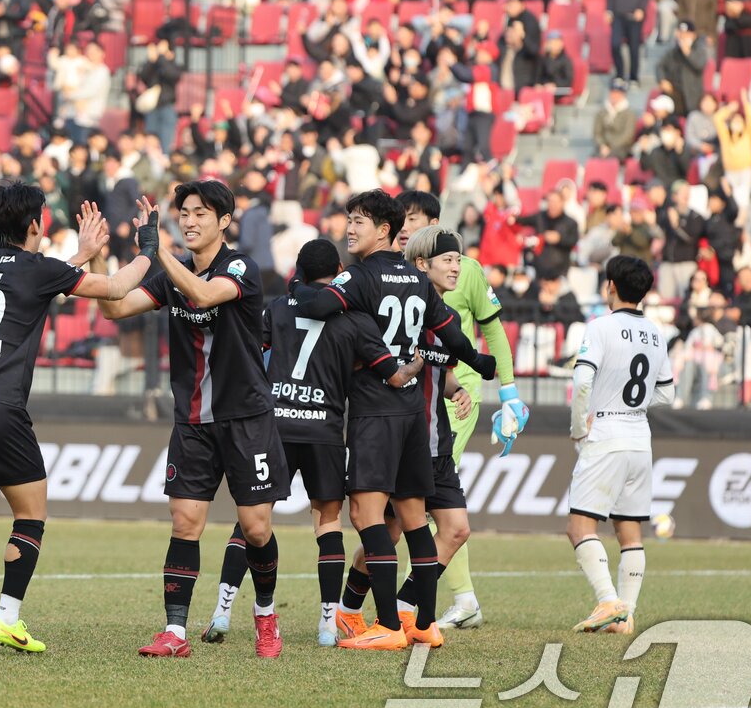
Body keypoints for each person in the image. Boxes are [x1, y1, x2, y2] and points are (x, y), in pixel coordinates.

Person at [0, 187, 151, 656]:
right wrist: (149, 247)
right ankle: (6, 619)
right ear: (33, 225)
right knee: (30, 515)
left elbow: (33, 278)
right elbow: (115, 288)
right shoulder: (39, 269)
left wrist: (80, 255)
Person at [95, 181, 295, 659]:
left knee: (256, 529)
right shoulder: (172, 273)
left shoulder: (240, 268)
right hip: (192, 421)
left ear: (224, 222)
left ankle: (266, 614)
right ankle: (175, 632)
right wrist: (98, 258)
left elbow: (204, 295)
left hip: (246, 418)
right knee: (185, 522)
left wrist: (157, 250)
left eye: (201, 213)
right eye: (183, 212)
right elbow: (115, 307)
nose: (189, 220)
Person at [291, 189, 496, 650]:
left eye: (359, 221)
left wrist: (300, 287)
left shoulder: (360, 276)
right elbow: (450, 331)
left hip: (375, 411)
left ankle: (386, 624)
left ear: (384, 230)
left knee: (366, 515)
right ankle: (422, 623)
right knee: (414, 518)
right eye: (349, 220)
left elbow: (316, 307)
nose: (349, 229)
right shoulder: (418, 279)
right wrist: (479, 363)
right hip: (413, 415)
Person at [197, 240, 421, 649]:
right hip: (325, 432)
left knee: (252, 521)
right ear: (339, 272)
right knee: (328, 523)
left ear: (298, 271)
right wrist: (419, 361)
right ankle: (327, 625)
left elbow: (251, 351)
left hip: (276, 427)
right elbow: (394, 375)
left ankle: (222, 611)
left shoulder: (278, 308)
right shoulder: (354, 318)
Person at [396, 192, 526, 630]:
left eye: (413, 219)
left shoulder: (465, 270)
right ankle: (458, 598)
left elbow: (494, 331)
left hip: (455, 395)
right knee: (423, 506)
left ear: (434, 223)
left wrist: (508, 391)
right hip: (408, 396)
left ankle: (414, 602)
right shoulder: (398, 271)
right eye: (401, 220)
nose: (404, 228)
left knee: (431, 499)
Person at [567, 256, 674, 634]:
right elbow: (667, 394)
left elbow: (582, 382)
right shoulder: (657, 333)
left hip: (606, 435)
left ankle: (608, 601)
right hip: (640, 439)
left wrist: (580, 427)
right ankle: (625, 616)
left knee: (580, 527)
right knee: (629, 533)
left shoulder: (601, 327)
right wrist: (634, 407)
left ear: (610, 285)